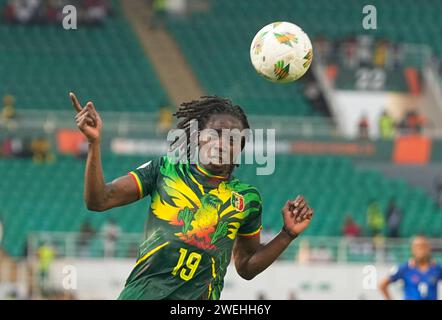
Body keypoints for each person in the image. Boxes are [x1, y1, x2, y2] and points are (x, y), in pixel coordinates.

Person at [69, 92, 314, 300]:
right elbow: (98, 200)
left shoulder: (247, 199)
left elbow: (246, 267)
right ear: (197, 137)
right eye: (215, 133)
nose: (222, 143)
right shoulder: (165, 170)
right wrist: (94, 143)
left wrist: (287, 235)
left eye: (232, 139)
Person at [379, 235, 442, 300]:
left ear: (428, 248)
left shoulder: (437, 268)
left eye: (423, 246)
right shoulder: (405, 268)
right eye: (417, 247)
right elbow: (382, 285)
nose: (421, 249)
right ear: (412, 249)